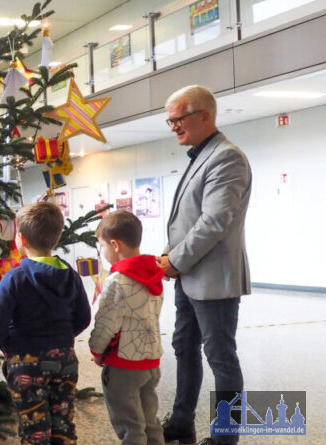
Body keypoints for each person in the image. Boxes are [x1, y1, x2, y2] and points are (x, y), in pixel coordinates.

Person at [158, 85, 252, 445]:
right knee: (185, 348)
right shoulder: (202, 155)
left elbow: (214, 222)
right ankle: (181, 421)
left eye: (178, 118)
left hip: (213, 281)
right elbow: (189, 219)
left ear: (205, 116)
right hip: (189, 277)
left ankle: (226, 437)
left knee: (221, 358)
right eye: (170, 120)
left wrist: (175, 261)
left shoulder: (227, 157)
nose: (173, 126)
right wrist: (169, 259)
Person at [0, 201, 91, 445]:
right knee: (63, 421)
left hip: (25, 361)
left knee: (35, 427)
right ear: (56, 237)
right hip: (64, 358)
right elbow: (83, 318)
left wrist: (10, 345)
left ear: (20, 239)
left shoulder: (14, 278)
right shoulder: (70, 276)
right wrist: (61, 337)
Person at [89, 211, 165, 445]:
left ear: (115, 245)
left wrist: (96, 350)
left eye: (101, 246)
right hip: (150, 362)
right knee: (150, 421)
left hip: (124, 366)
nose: (101, 252)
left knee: (130, 426)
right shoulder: (153, 273)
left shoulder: (117, 281)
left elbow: (106, 323)